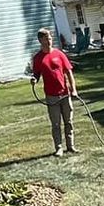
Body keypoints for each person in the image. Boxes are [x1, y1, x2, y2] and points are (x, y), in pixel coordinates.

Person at [30, 28, 77, 156]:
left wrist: (73, 89)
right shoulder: (38, 58)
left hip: (65, 93)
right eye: (46, 39)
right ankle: (59, 148)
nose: (49, 41)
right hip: (51, 96)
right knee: (56, 124)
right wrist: (34, 79)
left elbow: (68, 72)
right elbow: (36, 74)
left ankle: (71, 146)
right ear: (40, 40)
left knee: (69, 121)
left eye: (50, 38)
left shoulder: (59, 54)